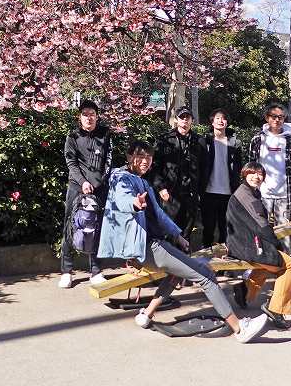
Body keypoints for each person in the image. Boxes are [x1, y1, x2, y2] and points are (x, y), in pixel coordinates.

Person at [97, 140, 268, 343]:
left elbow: (159, 214)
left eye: (148, 157)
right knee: (205, 276)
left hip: (155, 244)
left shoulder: (142, 181)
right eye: (140, 156)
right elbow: (122, 199)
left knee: (175, 274)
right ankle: (239, 329)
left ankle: (146, 314)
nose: (145, 161)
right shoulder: (121, 178)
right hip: (149, 246)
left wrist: (178, 235)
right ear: (129, 157)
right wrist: (134, 204)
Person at [226, 162, 291, 329]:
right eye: (252, 173)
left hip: (242, 241)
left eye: (260, 174)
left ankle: (245, 289)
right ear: (244, 174)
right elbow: (263, 226)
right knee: (289, 265)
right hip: (246, 244)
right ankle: (275, 309)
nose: (256, 177)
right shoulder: (246, 195)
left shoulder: (250, 192)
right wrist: (277, 245)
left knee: (272, 263)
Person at [58, 99, 113, 289]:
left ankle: (96, 271)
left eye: (92, 114)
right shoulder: (72, 136)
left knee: (97, 227)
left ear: (97, 117)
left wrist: (97, 183)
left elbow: (109, 161)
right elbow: (70, 162)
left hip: (99, 188)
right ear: (79, 117)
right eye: (85, 114)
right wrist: (83, 183)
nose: (89, 118)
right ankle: (66, 271)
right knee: (70, 225)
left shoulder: (105, 134)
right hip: (76, 187)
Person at [248, 102, 291, 250]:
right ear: (267, 118)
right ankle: (261, 261)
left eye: (281, 117)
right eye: (273, 116)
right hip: (262, 193)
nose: (277, 120)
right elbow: (251, 166)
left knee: (284, 230)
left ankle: (286, 264)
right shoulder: (257, 140)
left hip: (284, 193)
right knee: (260, 227)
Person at [150, 106, 204, 242]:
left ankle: (184, 256)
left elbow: (204, 167)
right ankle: (170, 258)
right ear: (176, 120)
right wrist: (160, 187)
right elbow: (155, 166)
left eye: (188, 117)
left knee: (187, 228)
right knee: (169, 228)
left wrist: (201, 190)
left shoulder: (199, 141)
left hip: (191, 191)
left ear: (192, 120)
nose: (185, 120)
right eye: (182, 117)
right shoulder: (165, 140)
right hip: (171, 191)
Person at [200, 109, 243, 248]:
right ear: (212, 122)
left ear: (227, 122)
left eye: (223, 118)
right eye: (217, 118)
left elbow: (238, 167)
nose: (220, 121)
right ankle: (205, 260)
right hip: (209, 192)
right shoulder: (204, 142)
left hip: (228, 193)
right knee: (208, 229)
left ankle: (224, 264)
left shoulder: (234, 143)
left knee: (225, 230)